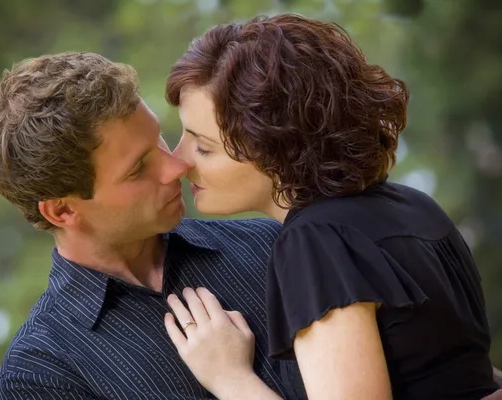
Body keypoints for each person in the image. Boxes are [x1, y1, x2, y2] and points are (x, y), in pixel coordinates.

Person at [162, 13, 501, 400]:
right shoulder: (415, 207)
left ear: (277, 148)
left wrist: (229, 378)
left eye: (204, 147)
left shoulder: (315, 241)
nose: (179, 160)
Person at [0, 51, 295, 399]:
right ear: (62, 211)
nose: (176, 168)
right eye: (138, 169)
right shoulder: (42, 375)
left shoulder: (272, 245)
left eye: (157, 140)